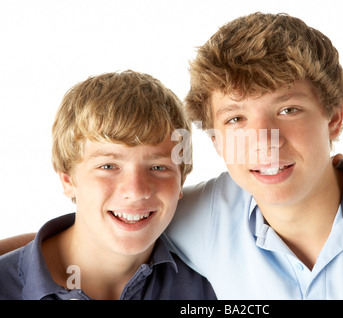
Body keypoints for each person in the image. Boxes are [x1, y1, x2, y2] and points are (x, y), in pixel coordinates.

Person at [164, 12, 343, 299]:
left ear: (334, 118)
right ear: (216, 140)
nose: (264, 142)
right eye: (236, 119)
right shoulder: (187, 219)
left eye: (288, 110)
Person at [0, 70, 216, 300]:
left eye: (158, 167)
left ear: (181, 182)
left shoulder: (211, 283)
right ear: (67, 179)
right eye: (108, 166)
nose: (135, 191)